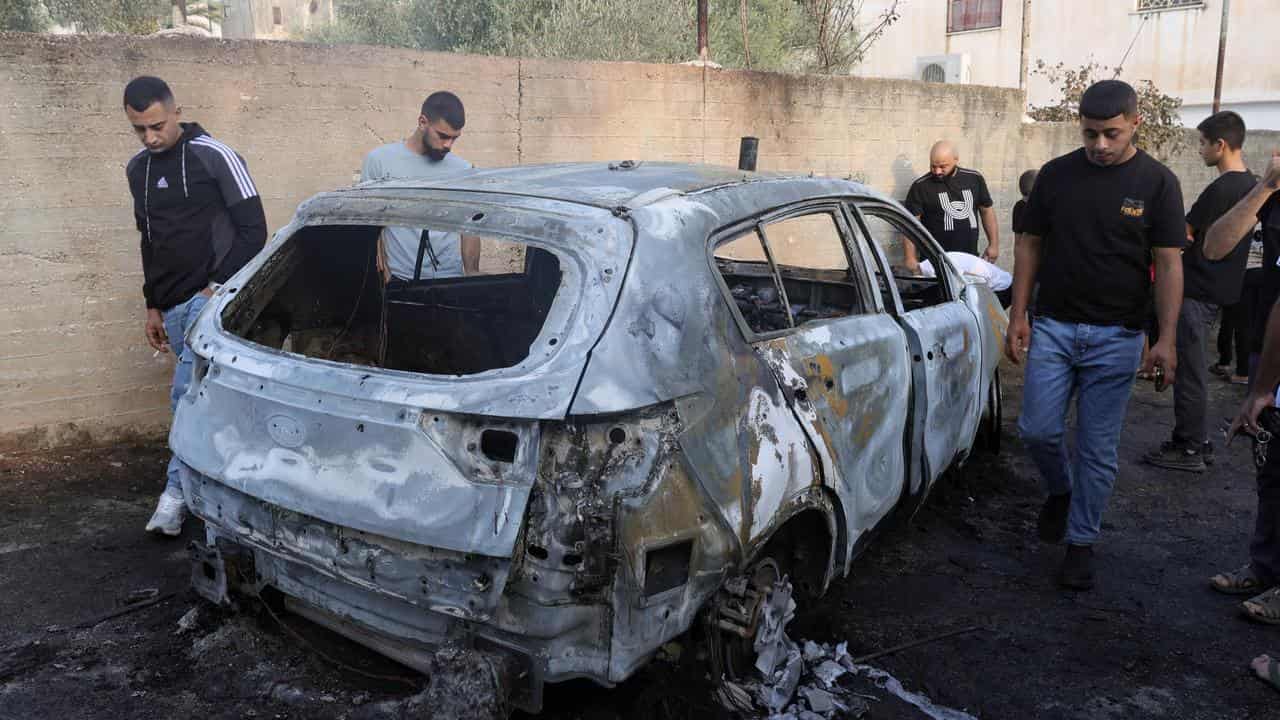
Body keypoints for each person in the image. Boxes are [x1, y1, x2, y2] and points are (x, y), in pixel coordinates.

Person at [1004, 80, 1184, 590]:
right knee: (1037, 430)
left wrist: (1165, 338)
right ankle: (1061, 491)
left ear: (1135, 124)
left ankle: (1081, 543)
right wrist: (1019, 314)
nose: (1100, 145)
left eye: (1111, 134)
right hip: (1054, 329)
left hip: (1119, 336)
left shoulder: (1158, 183)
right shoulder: (1057, 176)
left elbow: (1169, 264)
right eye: (1089, 134)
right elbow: (1029, 245)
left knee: (1097, 449)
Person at [123, 76, 267, 535]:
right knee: (204, 405)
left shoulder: (216, 155)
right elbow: (150, 241)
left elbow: (255, 232)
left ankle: (175, 497)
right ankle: (221, 500)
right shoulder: (137, 170)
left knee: (186, 399)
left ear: (176, 110)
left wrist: (216, 290)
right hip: (171, 308)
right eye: (139, 129)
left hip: (212, 304)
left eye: (157, 126)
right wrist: (151, 306)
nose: (150, 137)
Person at [1144, 111, 1257, 473]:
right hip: (1219, 292)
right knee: (1193, 368)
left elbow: (1183, 234)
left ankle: (1189, 446)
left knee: (1189, 372)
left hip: (1196, 291)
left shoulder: (1221, 188)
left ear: (1220, 145)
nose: (1199, 151)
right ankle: (1198, 440)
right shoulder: (1253, 186)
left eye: (1202, 143)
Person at [360, 91, 479, 281]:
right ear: (423, 122)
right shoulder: (380, 161)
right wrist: (382, 271)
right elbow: (369, 220)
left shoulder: (463, 169)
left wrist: (472, 273)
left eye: (454, 138)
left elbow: (470, 227)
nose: (448, 145)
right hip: (399, 279)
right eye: (442, 136)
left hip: (450, 280)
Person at [902, 140, 999, 270]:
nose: (937, 171)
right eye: (933, 166)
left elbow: (986, 211)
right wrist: (910, 258)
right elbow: (910, 225)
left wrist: (994, 244)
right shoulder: (920, 187)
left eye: (943, 166)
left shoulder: (974, 179)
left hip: (970, 261)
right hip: (935, 262)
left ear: (956, 159)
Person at [919, 251, 1012, 307]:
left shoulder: (931, 268)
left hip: (1001, 287)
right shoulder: (931, 264)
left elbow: (973, 279)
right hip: (998, 281)